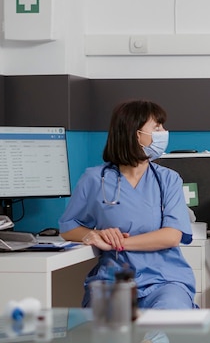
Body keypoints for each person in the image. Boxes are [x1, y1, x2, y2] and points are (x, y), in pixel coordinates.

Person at [59, 100, 197, 309]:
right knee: (109, 328)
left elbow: (172, 235)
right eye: (157, 128)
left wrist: (117, 243)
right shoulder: (95, 179)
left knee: (168, 320)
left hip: (165, 279)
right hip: (113, 280)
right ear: (135, 134)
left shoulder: (168, 179)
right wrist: (93, 235)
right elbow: (68, 227)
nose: (164, 133)